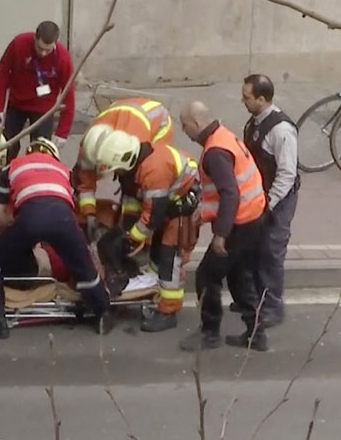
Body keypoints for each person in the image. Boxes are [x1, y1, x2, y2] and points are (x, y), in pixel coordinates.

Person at [0, 138, 111, 339]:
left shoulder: (12, 167)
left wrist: (18, 226)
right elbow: (65, 202)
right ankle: (103, 313)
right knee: (84, 268)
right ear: (53, 155)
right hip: (64, 219)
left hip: (30, 218)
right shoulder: (62, 170)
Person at [178, 102, 269, 352]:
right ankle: (256, 333)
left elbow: (230, 195)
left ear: (196, 124)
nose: (183, 130)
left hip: (238, 225)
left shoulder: (215, 152)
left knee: (207, 275)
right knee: (239, 277)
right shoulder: (224, 136)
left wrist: (220, 235)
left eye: (184, 125)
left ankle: (209, 333)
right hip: (253, 218)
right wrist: (206, 213)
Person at [93, 131, 200, 332]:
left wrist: (132, 237)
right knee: (158, 250)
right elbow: (142, 202)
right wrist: (128, 231)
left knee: (169, 259)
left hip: (181, 204)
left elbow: (153, 214)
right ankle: (153, 283)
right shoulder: (138, 160)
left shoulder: (154, 170)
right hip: (169, 200)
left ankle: (168, 311)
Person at [241, 74, 299, 328]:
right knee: (254, 247)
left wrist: (269, 204)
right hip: (259, 198)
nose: (242, 101)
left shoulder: (281, 130)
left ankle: (273, 306)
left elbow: (287, 174)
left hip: (278, 200)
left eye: (247, 97)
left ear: (262, 100)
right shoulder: (254, 123)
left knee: (271, 252)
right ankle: (256, 298)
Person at [73, 97, 173, 241]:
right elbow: (85, 182)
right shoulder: (89, 147)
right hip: (126, 114)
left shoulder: (134, 141)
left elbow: (134, 172)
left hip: (158, 126)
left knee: (143, 181)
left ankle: (141, 228)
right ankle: (127, 223)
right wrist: (89, 214)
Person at [0, 21, 74, 162]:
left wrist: (62, 132)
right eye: (40, 48)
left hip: (44, 109)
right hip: (17, 103)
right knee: (6, 146)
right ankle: (3, 179)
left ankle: (34, 179)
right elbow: (2, 75)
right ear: (35, 37)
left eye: (47, 50)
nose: (42, 53)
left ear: (55, 43)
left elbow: (68, 95)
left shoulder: (62, 59)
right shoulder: (18, 44)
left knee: (39, 151)